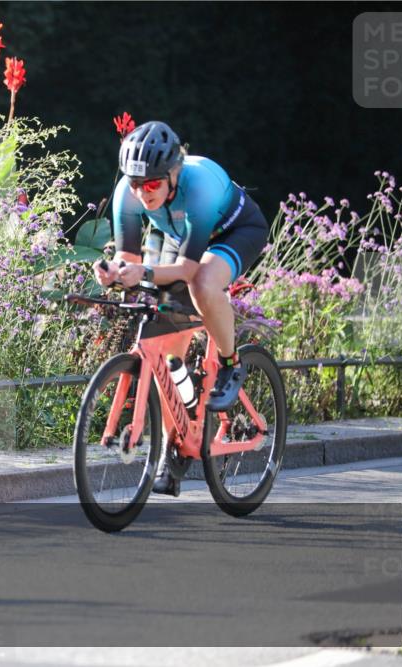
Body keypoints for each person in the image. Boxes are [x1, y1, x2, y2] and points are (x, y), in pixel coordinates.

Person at [94, 120, 269, 495]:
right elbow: (128, 256)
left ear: (174, 172)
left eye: (153, 184)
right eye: (136, 183)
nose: (142, 193)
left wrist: (146, 271)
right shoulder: (129, 190)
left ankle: (230, 364)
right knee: (166, 352)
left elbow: (190, 269)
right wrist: (113, 272)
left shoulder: (199, 186)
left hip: (235, 232)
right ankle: (173, 449)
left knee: (203, 283)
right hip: (180, 237)